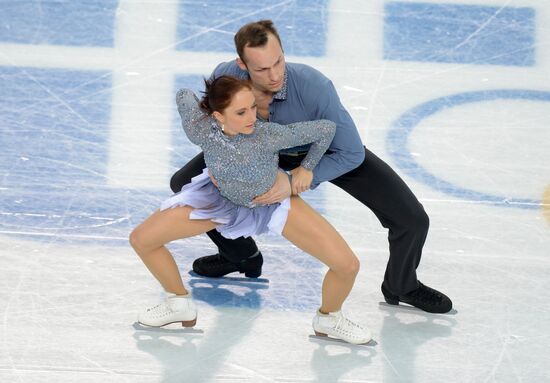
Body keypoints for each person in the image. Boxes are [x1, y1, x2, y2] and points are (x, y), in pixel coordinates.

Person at [170, 20, 453, 314]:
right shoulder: (225, 77)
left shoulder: (315, 87)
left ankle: (401, 285)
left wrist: (294, 179)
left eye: (278, 61)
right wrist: (219, 162)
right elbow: (214, 125)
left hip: (325, 150)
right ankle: (240, 255)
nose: (275, 74)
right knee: (185, 184)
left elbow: (350, 152)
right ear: (242, 64)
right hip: (255, 148)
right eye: (262, 69)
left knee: (412, 219)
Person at [130, 75, 372, 345]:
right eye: (241, 112)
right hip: (219, 200)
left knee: (348, 265)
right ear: (218, 116)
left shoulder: (267, 135)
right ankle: (178, 303)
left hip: (272, 203)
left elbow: (326, 128)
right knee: (142, 239)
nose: (252, 118)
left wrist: (306, 168)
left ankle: (329, 318)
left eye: (253, 108)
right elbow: (183, 96)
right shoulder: (200, 129)